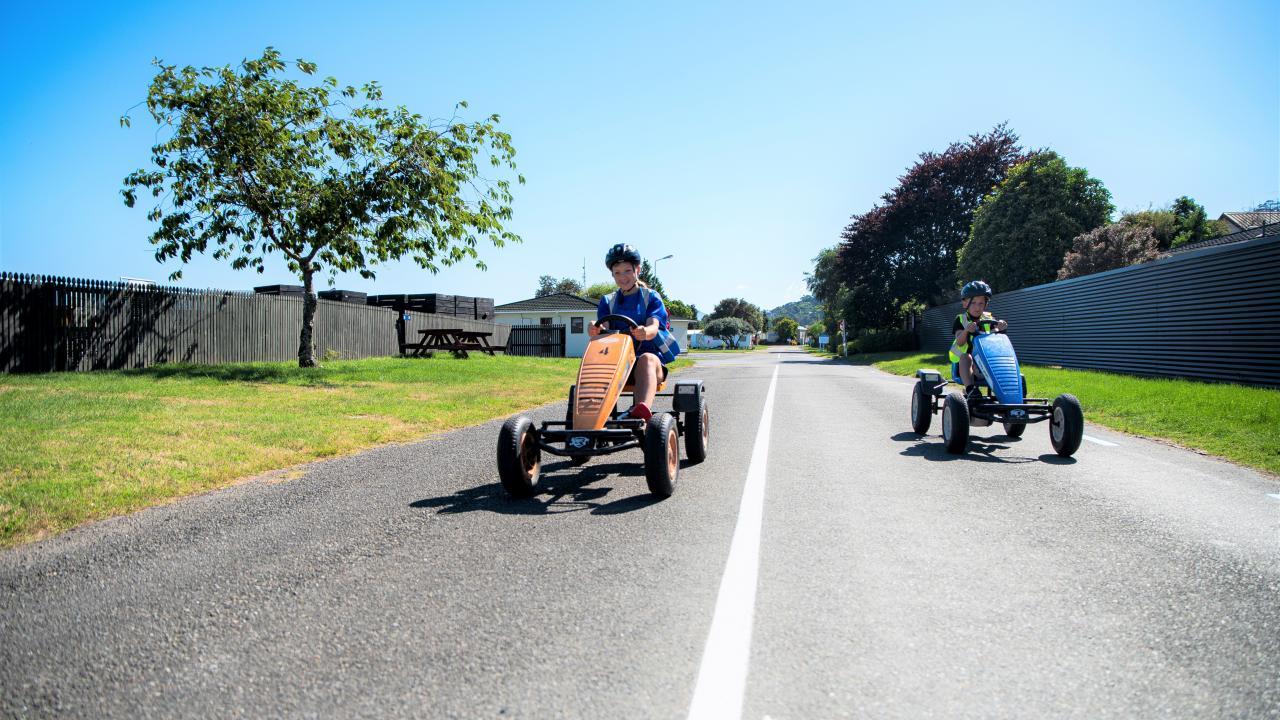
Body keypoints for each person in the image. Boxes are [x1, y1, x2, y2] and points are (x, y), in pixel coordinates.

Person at [587, 243, 677, 421]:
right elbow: (603, 330)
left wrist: (646, 331)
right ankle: (588, 416)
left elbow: (654, 325)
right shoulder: (608, 301)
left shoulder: (650, 297)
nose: (623, 277)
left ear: (637, 270)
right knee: (593, 360)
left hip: (648, 363)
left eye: (627, 271)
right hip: (617, 364)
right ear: (612, 274)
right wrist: (595, 329)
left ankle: (640, 410)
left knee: (647, 359)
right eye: (617, 272)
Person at [949, 280, 1008, 400]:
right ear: (965, 303)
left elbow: (996, 336)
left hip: (986, 362)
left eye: (981, 303)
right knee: (966, 357)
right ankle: (970, 390)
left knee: (1005, 361)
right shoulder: (961, 319)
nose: (977, 307)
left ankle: (1010, 395)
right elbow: (960, 342)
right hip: (964, 365)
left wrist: (1001, 327)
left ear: (986, 304)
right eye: (974, 303)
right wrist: (966, 331)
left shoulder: (989, 318)